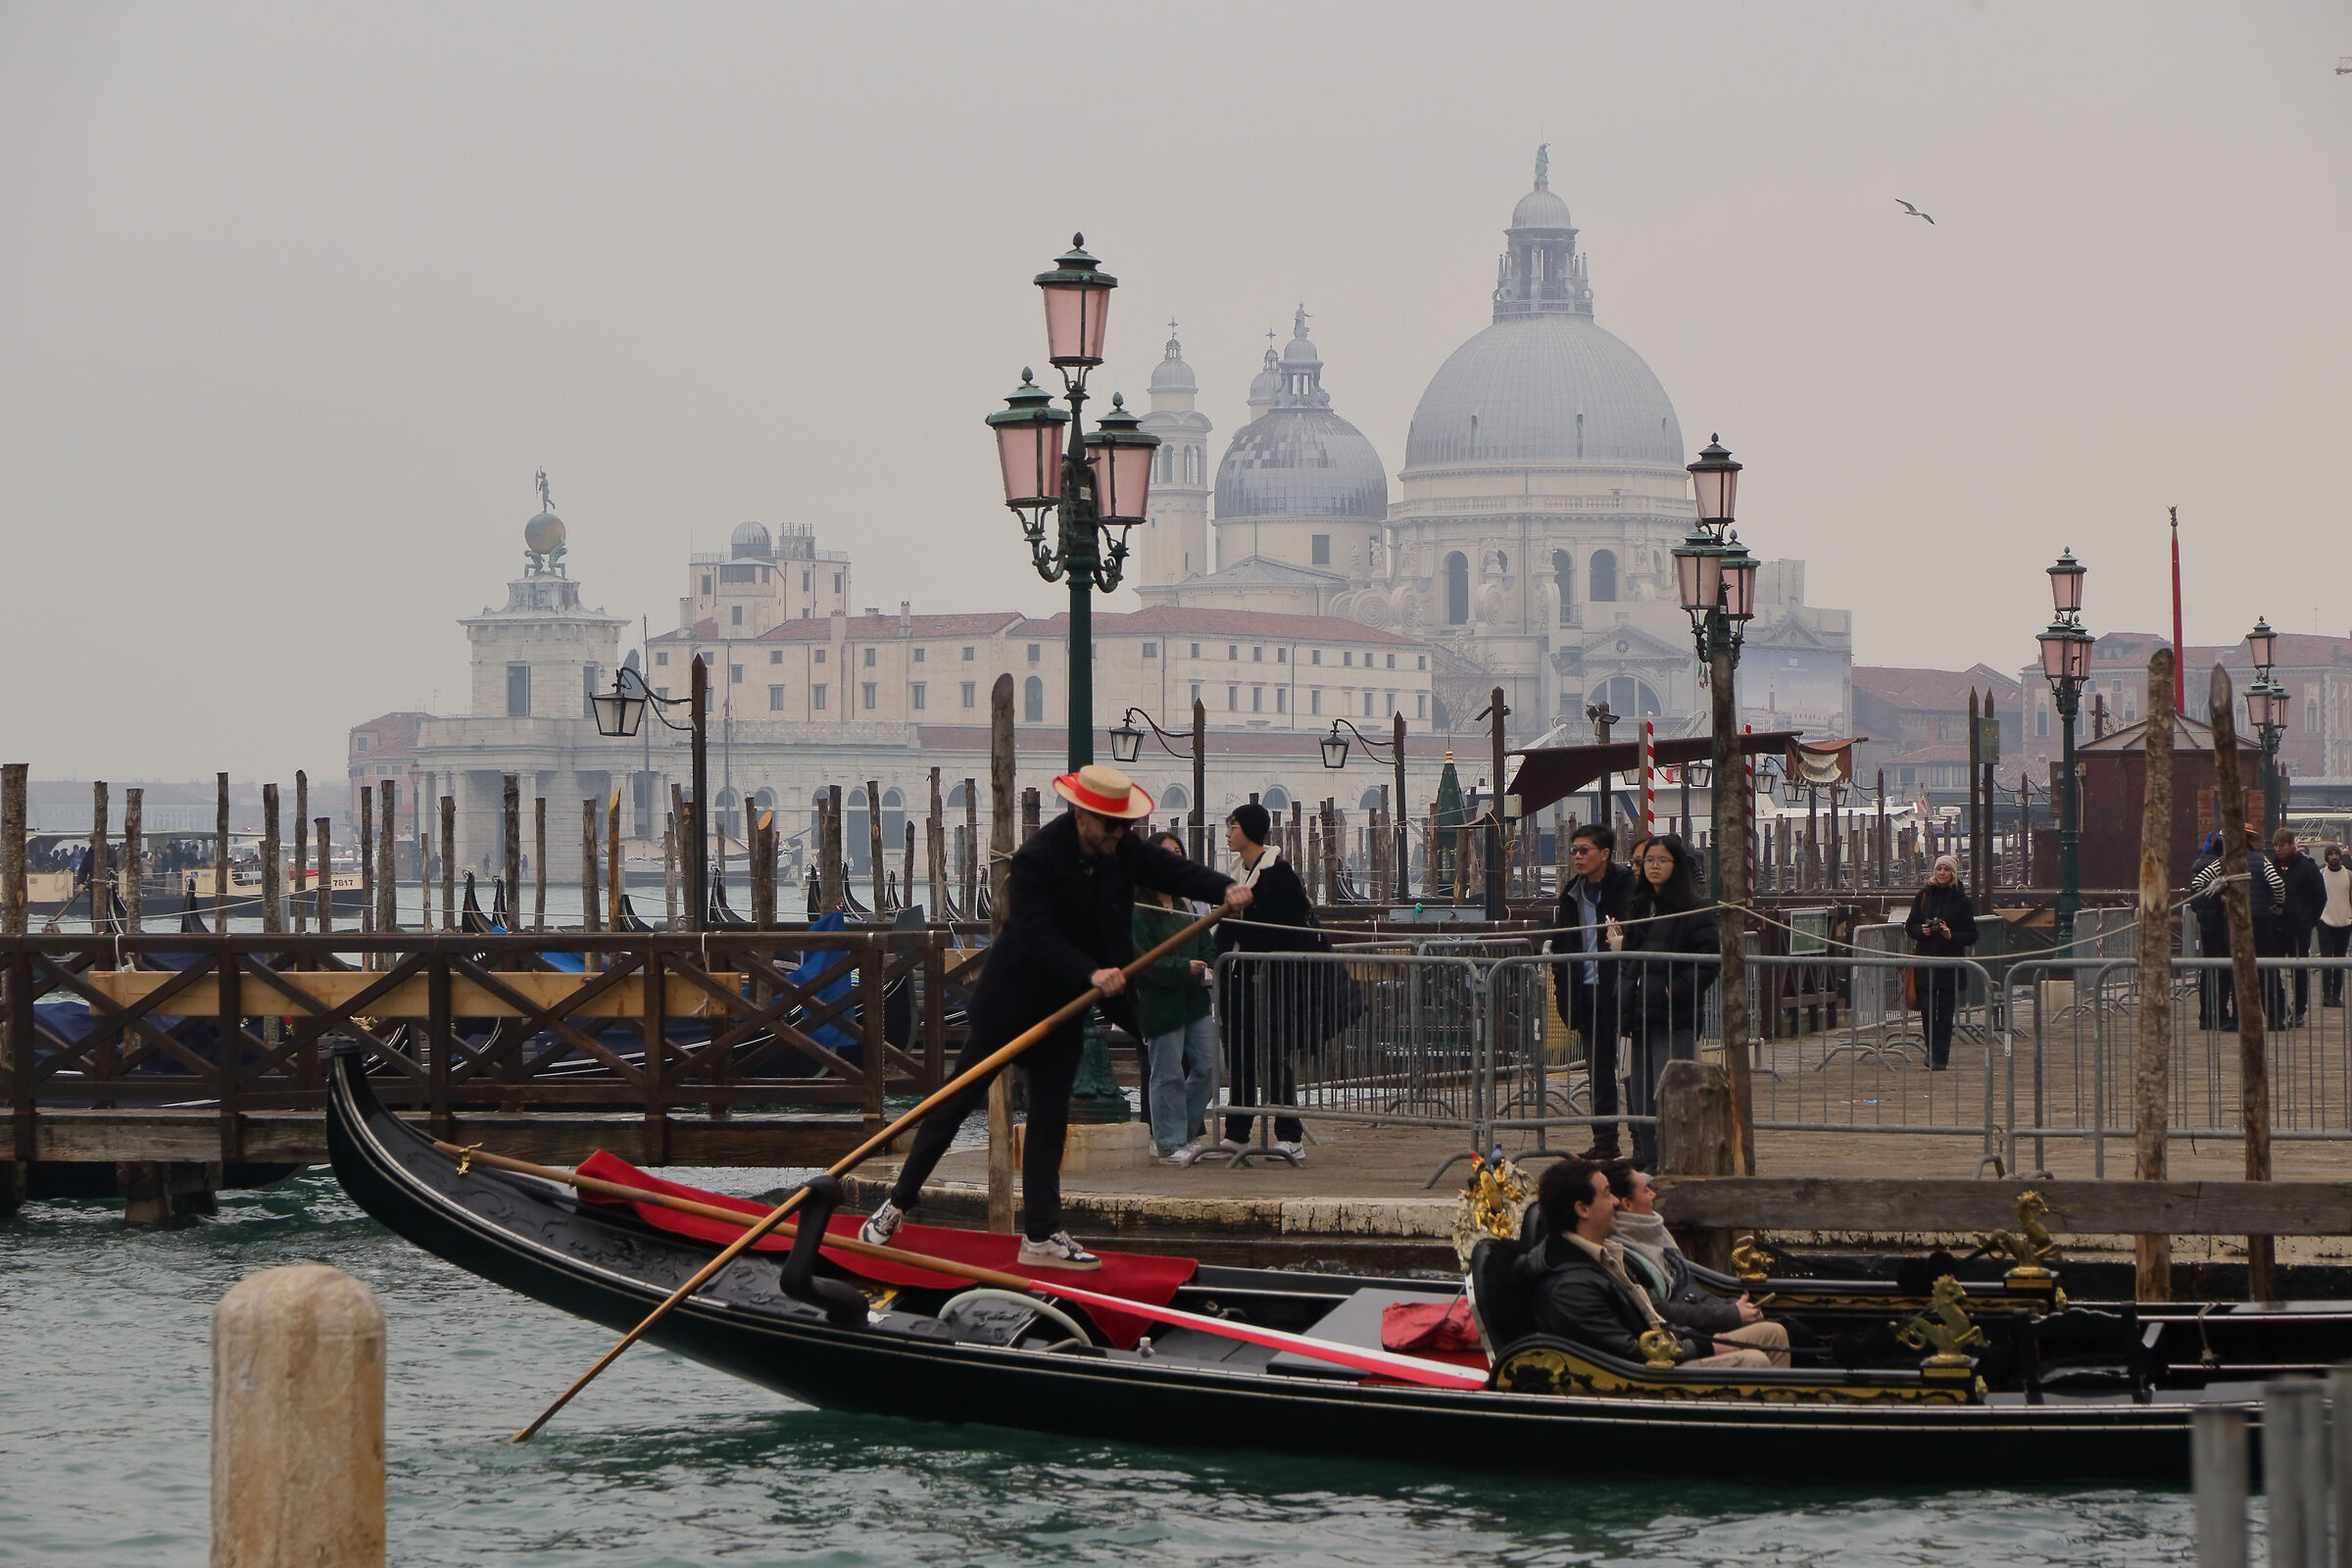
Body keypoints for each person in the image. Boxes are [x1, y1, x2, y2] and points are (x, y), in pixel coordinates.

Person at [860, 764, 1249, 1268]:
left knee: (1049, 1120)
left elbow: (1173, 871)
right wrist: (1090, 972)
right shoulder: (1036, 859)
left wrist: (1225, 888)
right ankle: (895, 1207)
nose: (1119, 833)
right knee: (954, 1105)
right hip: (1012, 1000)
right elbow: (1033, 934)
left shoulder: (1121, 847)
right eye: (1111, 824)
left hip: (1068, 1004)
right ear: (1082, 815)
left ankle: (1040, 1236)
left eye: (1124, 825)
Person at [1517, 1158, 1789, 1368]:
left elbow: (1652, 1319)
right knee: (1754, 1362)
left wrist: (1701, 1338)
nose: (1615, 1202)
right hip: (1638, 1380)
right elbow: (1629, 1352)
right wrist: (1706, 1346)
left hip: (1664, 1348)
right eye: (1607, 1194)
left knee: (1773, 1334)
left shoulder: (1605, 1255)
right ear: (1583, 1209)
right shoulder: (1570, 1288)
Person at [1214, 803, 1320, 1161]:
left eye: (1233, 827)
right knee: (1239, 1054)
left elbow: (1287, 929)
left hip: (1272, 980)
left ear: (1248, 830)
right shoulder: (1237, 873)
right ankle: (1237, 1133)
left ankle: (1289, 1135)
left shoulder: (1278, 873)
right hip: (1238, 978)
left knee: (1273, 1054)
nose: (1228, 833)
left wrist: (1238, 927)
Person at [1605, 834, 1717, 1170]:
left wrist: (1675, 989)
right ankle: (1651, 1159)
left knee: (1671, 1089)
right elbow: (1630, 958)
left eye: (1662, 860)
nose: (1653, 867)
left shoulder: (1694, 909)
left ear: (1677, 865)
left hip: (1673, 1015)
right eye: (1647, 861)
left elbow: (1709, 959)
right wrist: (1625, 992)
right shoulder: (1640, 906)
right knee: (1641, 1093)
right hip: (1640, 1014)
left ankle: (1675, 1160)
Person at [1131, 831, 1220, 1163]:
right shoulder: (1138, 910)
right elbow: (1141, 961)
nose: (1174, 858)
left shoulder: (1186, 906)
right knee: (1167, 1072)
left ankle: (1184, 1131)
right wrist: (1183, 967)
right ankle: (1169, 1143)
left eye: (1178, 852)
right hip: (1161, 1003)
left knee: (1211, 1066)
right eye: (1166, 853)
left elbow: (1206, 945)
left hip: (1195, 1001)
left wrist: (1209, 965)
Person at [1548, 823, 1636, 1158]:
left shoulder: (1627, 887)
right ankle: (1605, 1142)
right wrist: (1562, 986)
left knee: (1632, 1070)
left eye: (1584, 850)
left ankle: (1644, 1144)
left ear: (1605, 854)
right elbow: (1562, 944)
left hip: (1622, 988)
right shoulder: (1571, 893)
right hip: (1586, 990)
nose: (1577, 857)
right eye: (1574, 851)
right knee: (1599, 1071)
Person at [1606, 1163, 1769, 1339]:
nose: (1653, 1195)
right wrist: (1730, 1314)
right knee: (1775, 1332)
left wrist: (1731, 1307)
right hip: (1687, 1336)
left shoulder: (1656, 1233)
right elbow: (1660, 1311)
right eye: (1646, 1191)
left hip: (1703, 1316)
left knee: (1780, 1327)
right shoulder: (1622, 1256)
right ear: (1627, 1204)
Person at [2188, 824, 2286, 1028]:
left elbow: (2198, 884)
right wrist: (2277, 903)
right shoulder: (2261, 860)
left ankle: (2238, 1019)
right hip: (2260, 921)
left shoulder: (2223, 862)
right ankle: (2275, 1018)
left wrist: (2218, 895)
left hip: (2234, 922)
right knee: (2266, 969)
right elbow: (2277, 884)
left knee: (2238, 970)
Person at [1903, 855, 1979, 1070]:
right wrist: (1922, 930)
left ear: (1953, 873)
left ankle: (1940, 1058)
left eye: (1946, 869)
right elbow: (1910, 926)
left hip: (1950, 965)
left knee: (1945, 1013)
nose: (1942, 873)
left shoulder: (1961, 901)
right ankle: (1932, 1050)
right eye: (1939, 869)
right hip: (1926, 962)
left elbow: (1972, 934)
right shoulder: (1924, 896)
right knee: (1927, 1009)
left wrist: (1950, 935)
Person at [2275, 829, 2326, 1025]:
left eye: (2282, 845)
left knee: (2299, 970)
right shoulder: (2272, 866)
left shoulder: (2307, 868)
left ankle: (2299, 1009)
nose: (2278, 849)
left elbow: (2320, 897)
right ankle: (2280, 1005)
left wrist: (2310, 921)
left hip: (2299, 927)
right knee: (2270, 968)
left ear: (2291, 844)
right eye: (2276, 845)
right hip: (2277, 927)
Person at [2187, 833, 2236, 1030]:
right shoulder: (2219, 866)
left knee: (2208, 971)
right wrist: (2220, 899)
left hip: (2206, 922)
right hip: (2220, 922)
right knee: (2224, 971)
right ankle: (2221, 1013)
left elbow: (2195, 899)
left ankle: (2206, 1015)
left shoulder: (2200, 866)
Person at [2318, 845, 2350, 1008]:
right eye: (2330, 854)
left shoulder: (2349, 875)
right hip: (2324, 920)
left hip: (2345, 921)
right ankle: (2326, 995)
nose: (2334, 856)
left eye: (2336, 853)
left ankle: (2337, 995)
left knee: (2339, 960)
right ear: (2326, 857)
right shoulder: (2321, 874)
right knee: (2326, 959)